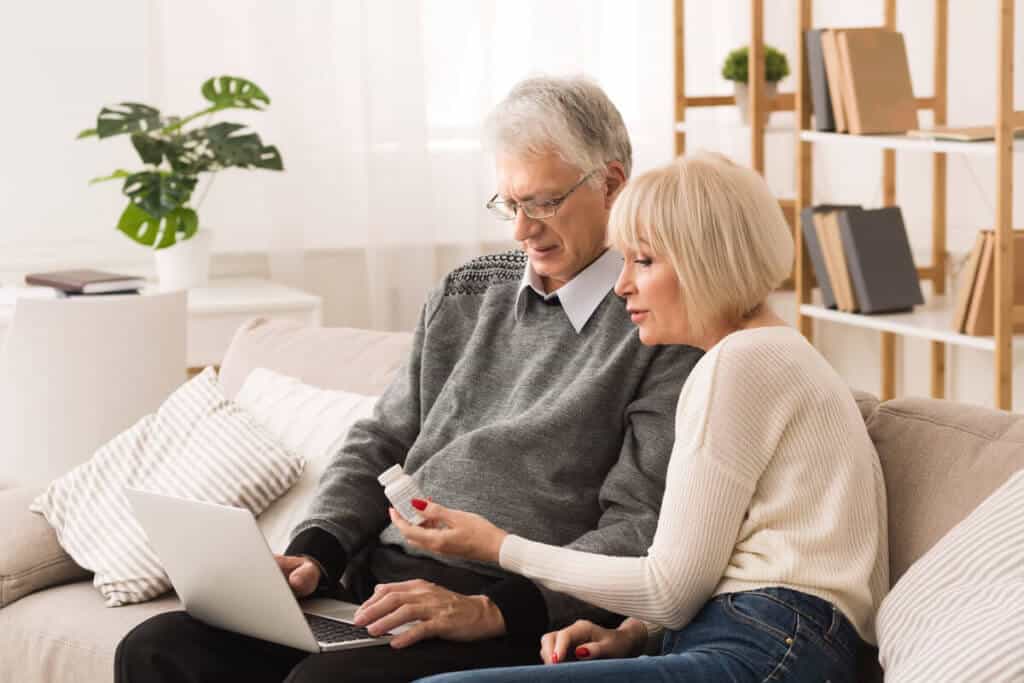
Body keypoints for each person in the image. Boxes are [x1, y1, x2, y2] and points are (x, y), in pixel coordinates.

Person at [114, 76, 702, 683]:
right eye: (509, 204)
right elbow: (382, 440)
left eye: (544, 202)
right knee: (158, 649)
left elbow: (640, 524)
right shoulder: (468, 288)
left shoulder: (663, 320)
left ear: (611, 183)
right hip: (373, 583)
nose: (522, 231)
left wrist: (492, 610)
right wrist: (317, 551)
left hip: (504, 606)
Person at [394, 152, 890, 683]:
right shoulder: (772, 355)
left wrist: (498, 546)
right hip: (760, 640)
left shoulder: (738, 363)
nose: (621, 284)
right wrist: (635, 634)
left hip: (764, 646)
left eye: (644, 261)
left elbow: (669, 590)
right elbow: (699, 573)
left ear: (709, 262)